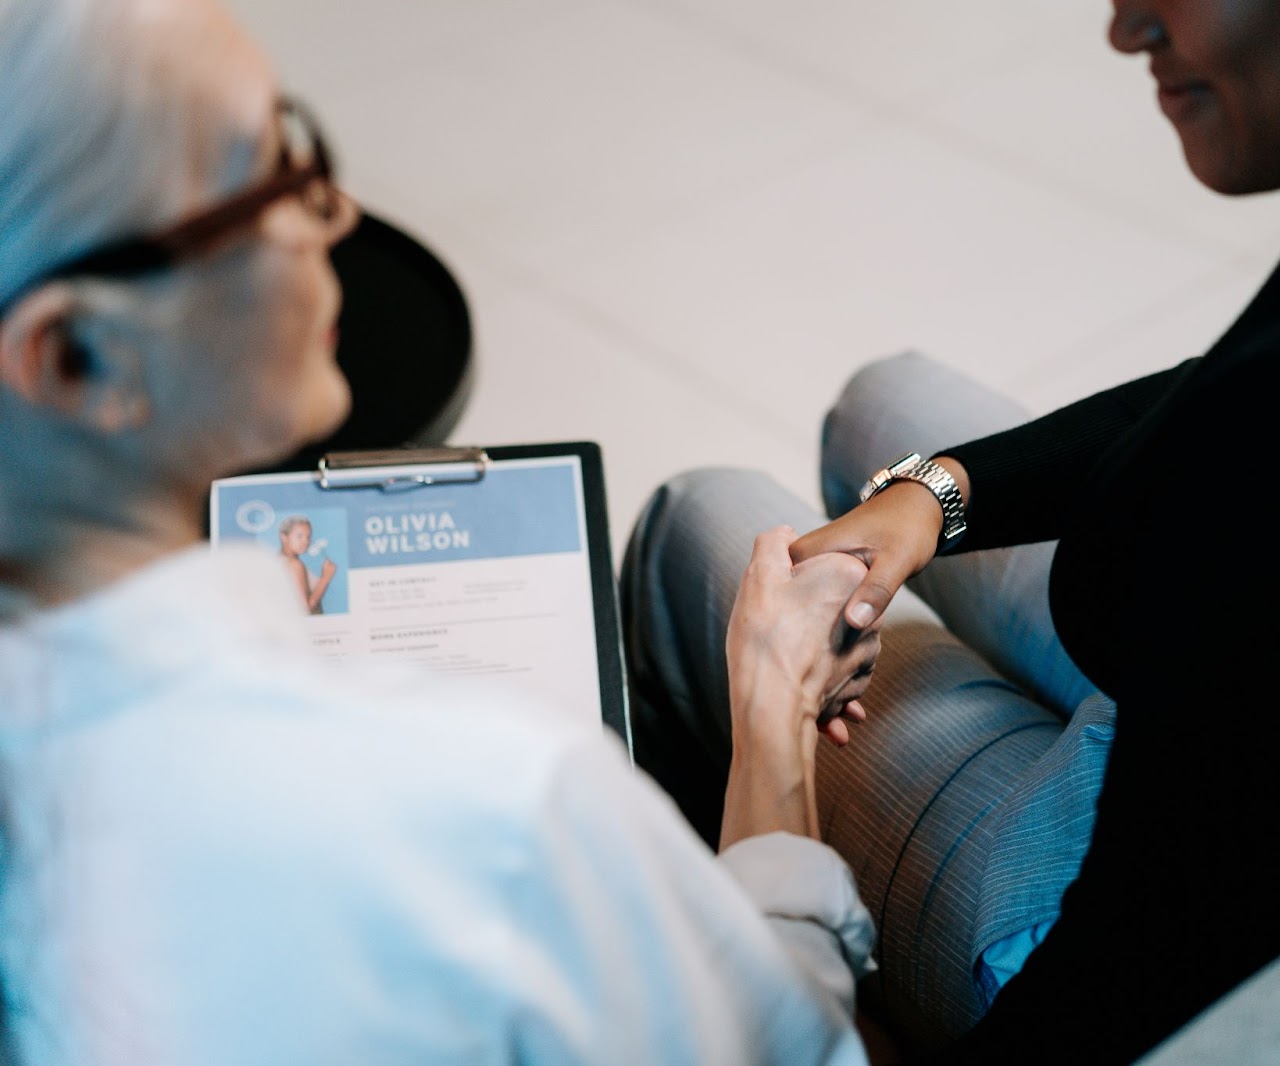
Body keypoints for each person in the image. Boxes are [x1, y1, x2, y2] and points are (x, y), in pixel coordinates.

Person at [625, 0, 1280, 1060]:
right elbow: (1246, 383)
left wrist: (771, 715)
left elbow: (1109, 1006)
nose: (1124, 28)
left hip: (1187, 934)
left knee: (698, 519)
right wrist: (938, 492)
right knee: (885, 403)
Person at [0, 1, 881, 1062]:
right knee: (708, 509)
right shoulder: (498, 808)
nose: (334, 211)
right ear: (70, 357)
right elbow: (779, 1046)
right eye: (269, 173)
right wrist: (773, 706)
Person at [277, 515, 336, 614]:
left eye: (308, 537)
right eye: (299, 536)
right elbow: (305, 609)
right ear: (284, 537)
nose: (306, 542)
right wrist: (326, 576)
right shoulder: (294, 564)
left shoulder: (278, 560)